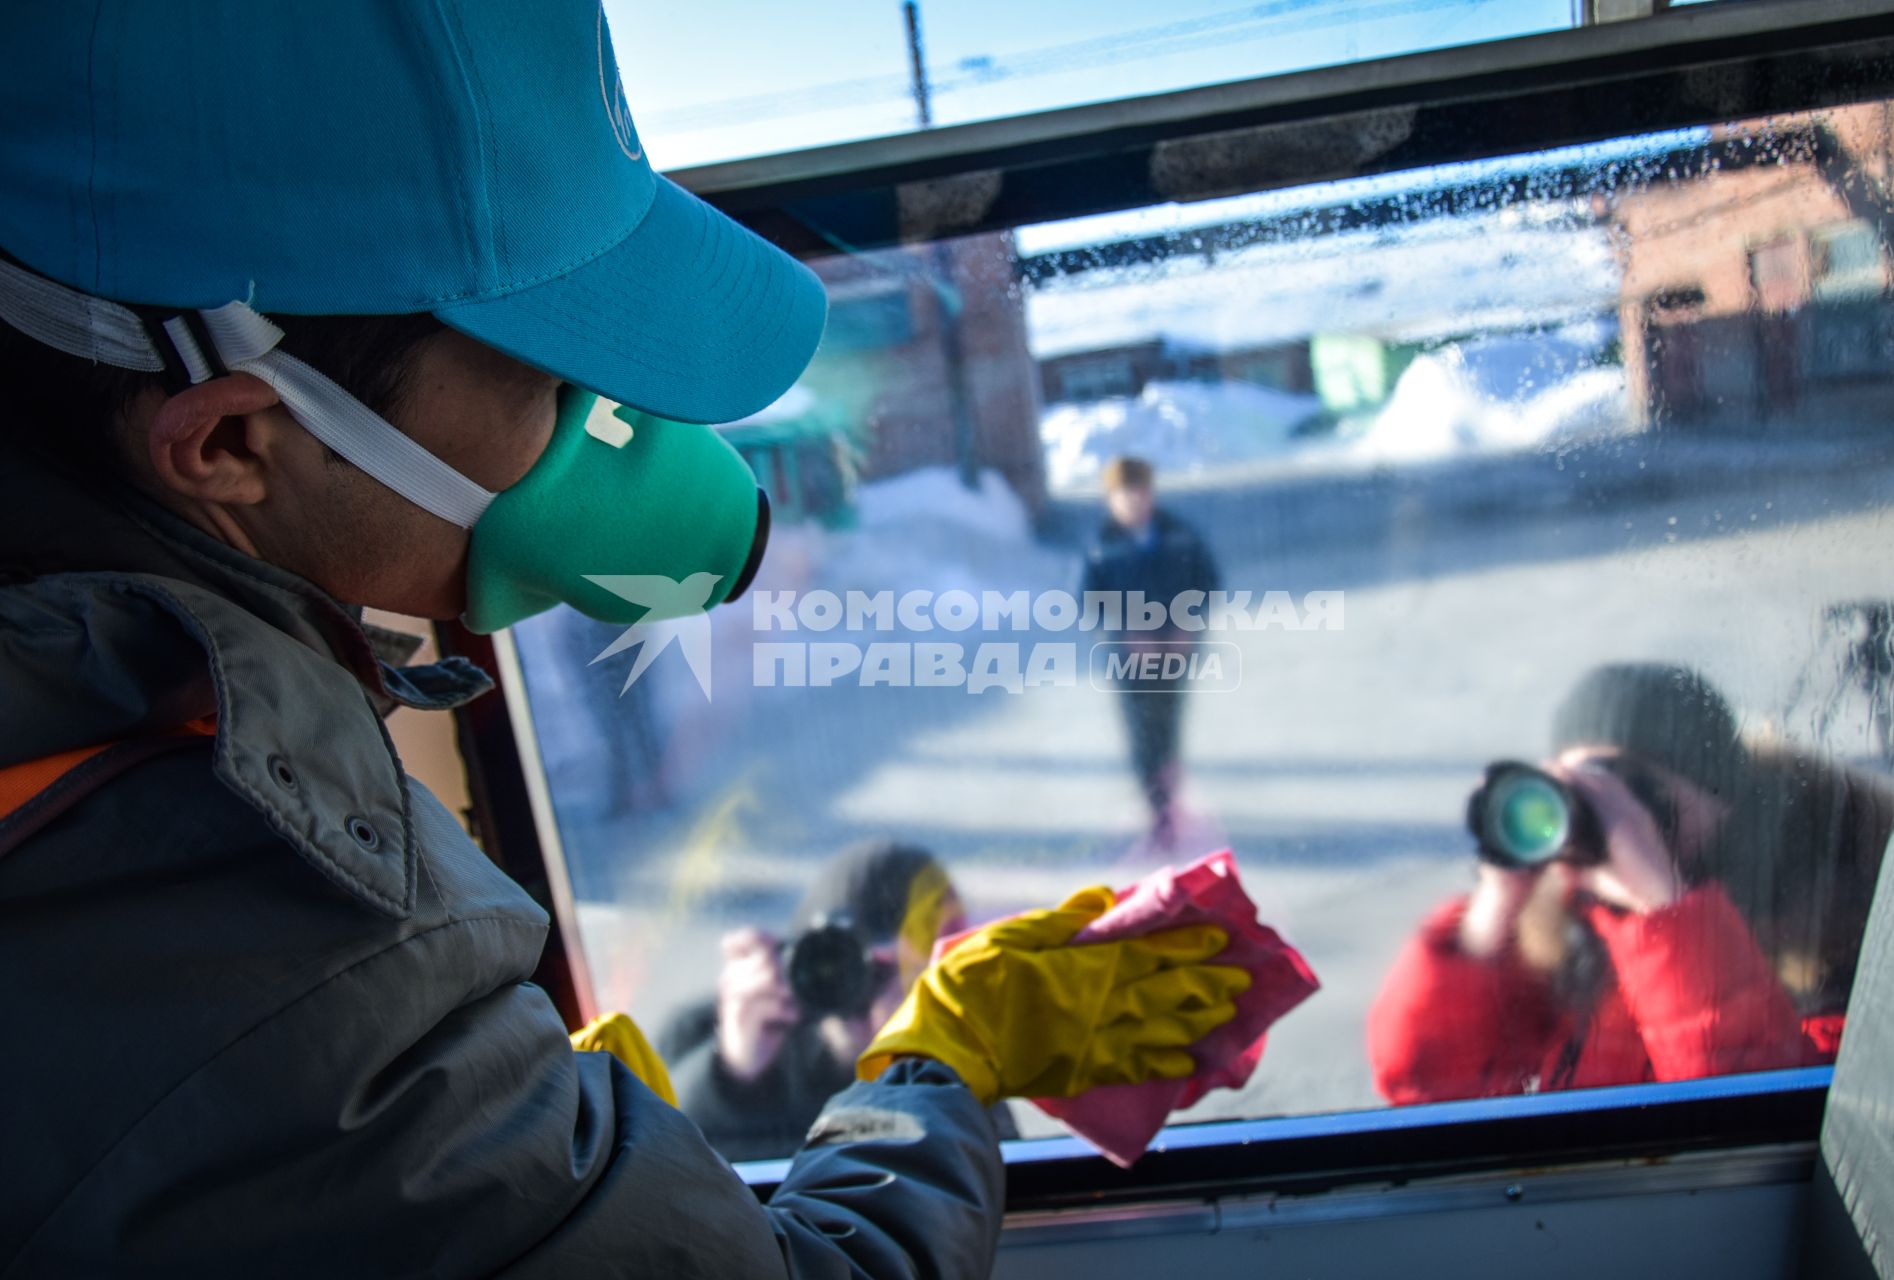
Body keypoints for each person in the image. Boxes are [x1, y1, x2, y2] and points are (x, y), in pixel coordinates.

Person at [0, 5, 1250, 1275]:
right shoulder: (261, 941)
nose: (629, 433)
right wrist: (941, 1060)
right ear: (228, 442)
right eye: (555, 387)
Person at [1368, 663, 1894, 1106]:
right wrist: (1492, 915)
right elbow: (1428, 1091)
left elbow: (1750, 1119)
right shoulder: (1571, 939)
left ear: (1728, 802)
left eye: (1641, 793)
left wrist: (1667, 911)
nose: (1617, 823)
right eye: (1587, 791)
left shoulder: (1838, 942)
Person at [657, 842, 1020, 1160]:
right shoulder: (709, 1033)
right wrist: (733, 1072)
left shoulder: (957, 1054)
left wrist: (916, 1061)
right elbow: (659, 1181)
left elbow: (999, 1181)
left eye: (945, 959)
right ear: (802, 958)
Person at [1080, 456, 1222, 842]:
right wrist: (1126, 631)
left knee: (1168, 725)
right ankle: (1156, 809)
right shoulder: (1103, 546)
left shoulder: (1179, 534)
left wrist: (1187, 624)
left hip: (1174, 650)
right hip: (1132, 659)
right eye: (1123, 496)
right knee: (1142, 732)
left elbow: (1206, 581)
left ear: (1151, 494)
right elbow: (1092, 601)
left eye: (1140, 493)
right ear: (1111, 500)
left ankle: (1170, 794)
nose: (1134, 503)